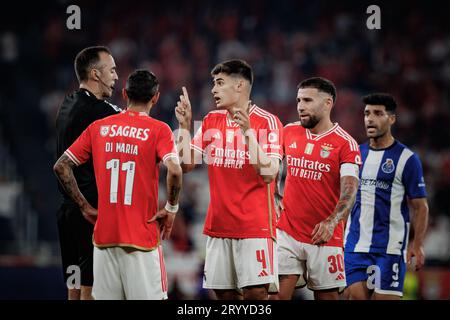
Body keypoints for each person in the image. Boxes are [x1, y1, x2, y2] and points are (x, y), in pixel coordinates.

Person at [53, 70, 182, 300]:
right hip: (142, 241)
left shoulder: (99, 127)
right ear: (156, 97)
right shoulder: (159, 130)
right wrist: (171, 209)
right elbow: (175, 169)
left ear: (124, 94)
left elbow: (61, 166)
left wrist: (84, 206)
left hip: (104, 241)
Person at [175, 59, 283, 300]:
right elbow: (186, 164)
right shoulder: (212, 120)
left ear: (240, 85)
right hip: (218, 227)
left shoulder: (268, 122)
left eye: (220, 83)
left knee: (256, 295)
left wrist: (247, 133)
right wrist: (184, 127)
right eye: (214, 83)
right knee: (224, 296)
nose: (213, 89)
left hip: (255, 227)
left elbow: (269, 174)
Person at [272, 77, 361, 300]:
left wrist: (332, 221)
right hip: (287, 231)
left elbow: (350, 189)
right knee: (274, 296)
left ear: (327, 103)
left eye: (308, 100)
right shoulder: (289, 131)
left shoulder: (346, 144)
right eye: (298, 100)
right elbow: (273, 163)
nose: (300, 106)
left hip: (324, 236)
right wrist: (274, 193)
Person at [344, 93, 429, 300]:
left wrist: (416, 244)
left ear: (391, 119)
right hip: (355, 246)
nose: (370, 119)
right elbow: (347, 199)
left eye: (377, 113)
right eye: (366, 114)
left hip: (389, 249)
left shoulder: (407, 159)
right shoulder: (355, 154)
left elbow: (420, 206)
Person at [55, 46, 120, 300]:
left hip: (66, 214)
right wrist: (86, 206)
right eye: (112, 70)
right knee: (91, 289)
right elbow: (135, 118)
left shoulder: (68, 102)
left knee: (74, 286)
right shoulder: (99, 111)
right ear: (96, 74)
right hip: (88, 214)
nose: (116, 76)